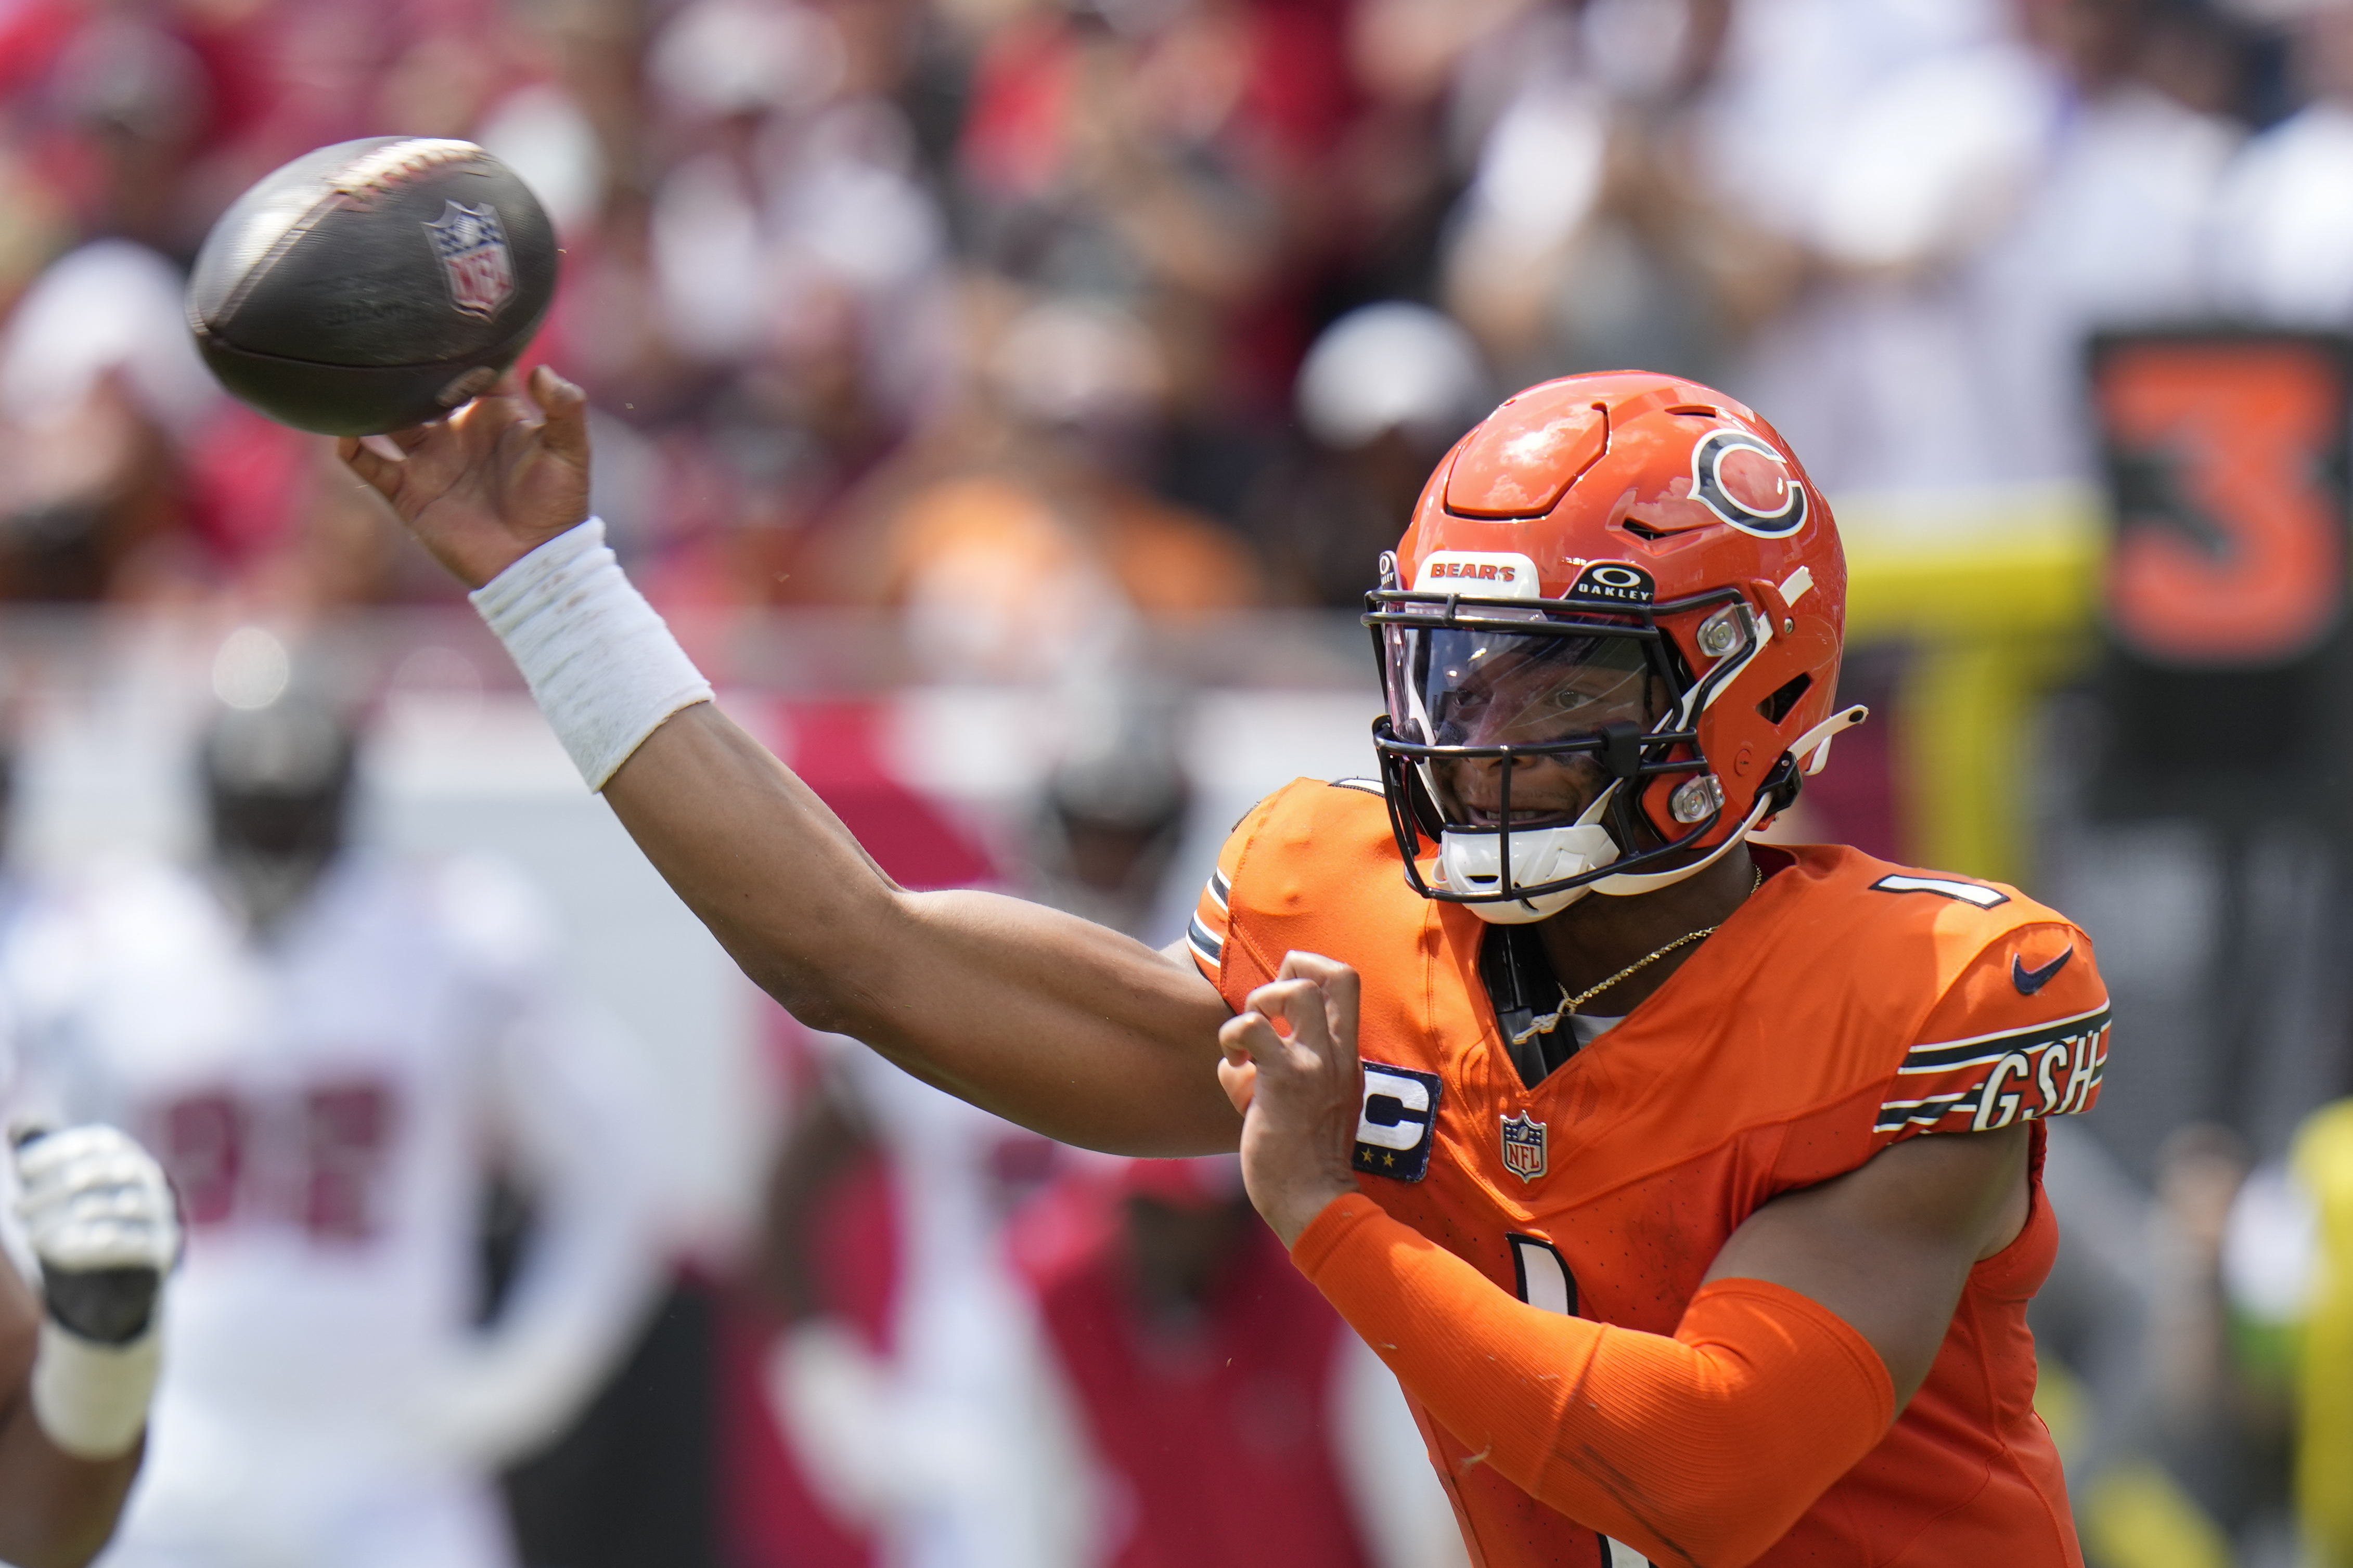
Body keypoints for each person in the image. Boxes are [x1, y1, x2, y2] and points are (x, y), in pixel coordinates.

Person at [343, 362, 2112, 1565]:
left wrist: (1326, 1214)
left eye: (1557, 685)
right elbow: (852, 955)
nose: (1476, 738)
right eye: (1455, 674)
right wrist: (549, 592)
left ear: (1753, 691)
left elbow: (1706, 1468)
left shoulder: (1929, 994)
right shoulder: (1344, 915)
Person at [1, 689, 668, 1568]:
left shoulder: (453, 938)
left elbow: (614, 1165)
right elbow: (24, 1171)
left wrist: (526, 1378)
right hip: (172, 1447)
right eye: (255, 808)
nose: (275, 834)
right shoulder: (95, 949)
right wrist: (87, 1355)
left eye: (296, 808)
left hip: (386, 1463)